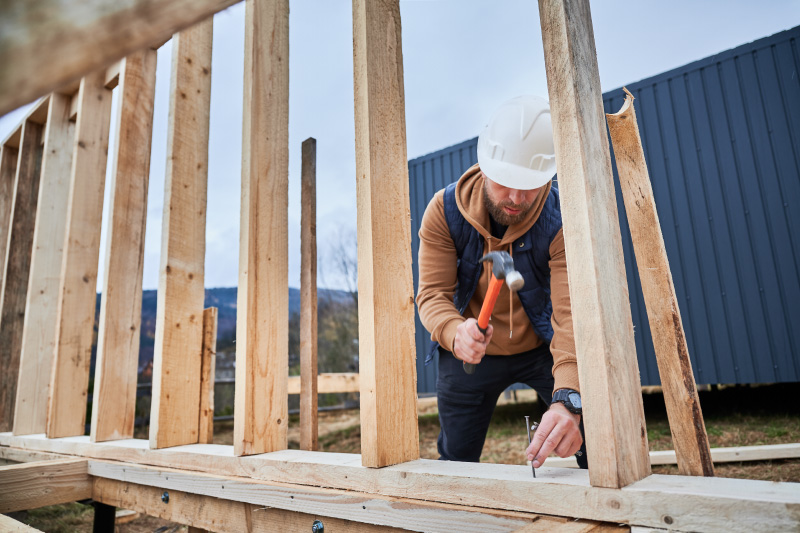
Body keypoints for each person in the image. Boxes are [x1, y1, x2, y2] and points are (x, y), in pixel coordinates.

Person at [416, 95, 587, 469]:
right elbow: (431, 295)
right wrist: (452, 331)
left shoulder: (561, 219)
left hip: (545, 349)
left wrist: (570, 396)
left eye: (530, 185)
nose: (515, 198)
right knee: (456, 462)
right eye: (506, 182)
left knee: (591, 439)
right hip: (470, 357)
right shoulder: (444, 213)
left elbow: (571, 316)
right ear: (485, 164)